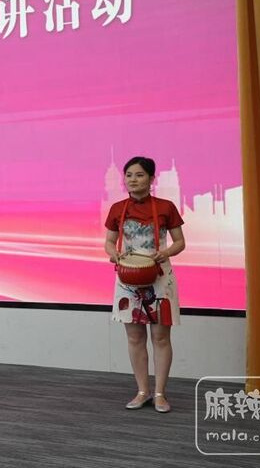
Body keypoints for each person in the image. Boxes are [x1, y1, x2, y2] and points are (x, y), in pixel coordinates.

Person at [104, 156, 185, 413]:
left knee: (160, 337)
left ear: (151, 179)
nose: (133, 179)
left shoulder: (166, 207)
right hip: (127, 278)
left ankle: (160, 393)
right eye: (129, 175)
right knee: (134, 336)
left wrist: (166, 253)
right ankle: (142, 391)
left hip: (159, 276)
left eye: (139, 175)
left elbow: (180, 242)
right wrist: (114, 254)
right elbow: (109, 242)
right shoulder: (117, 208)